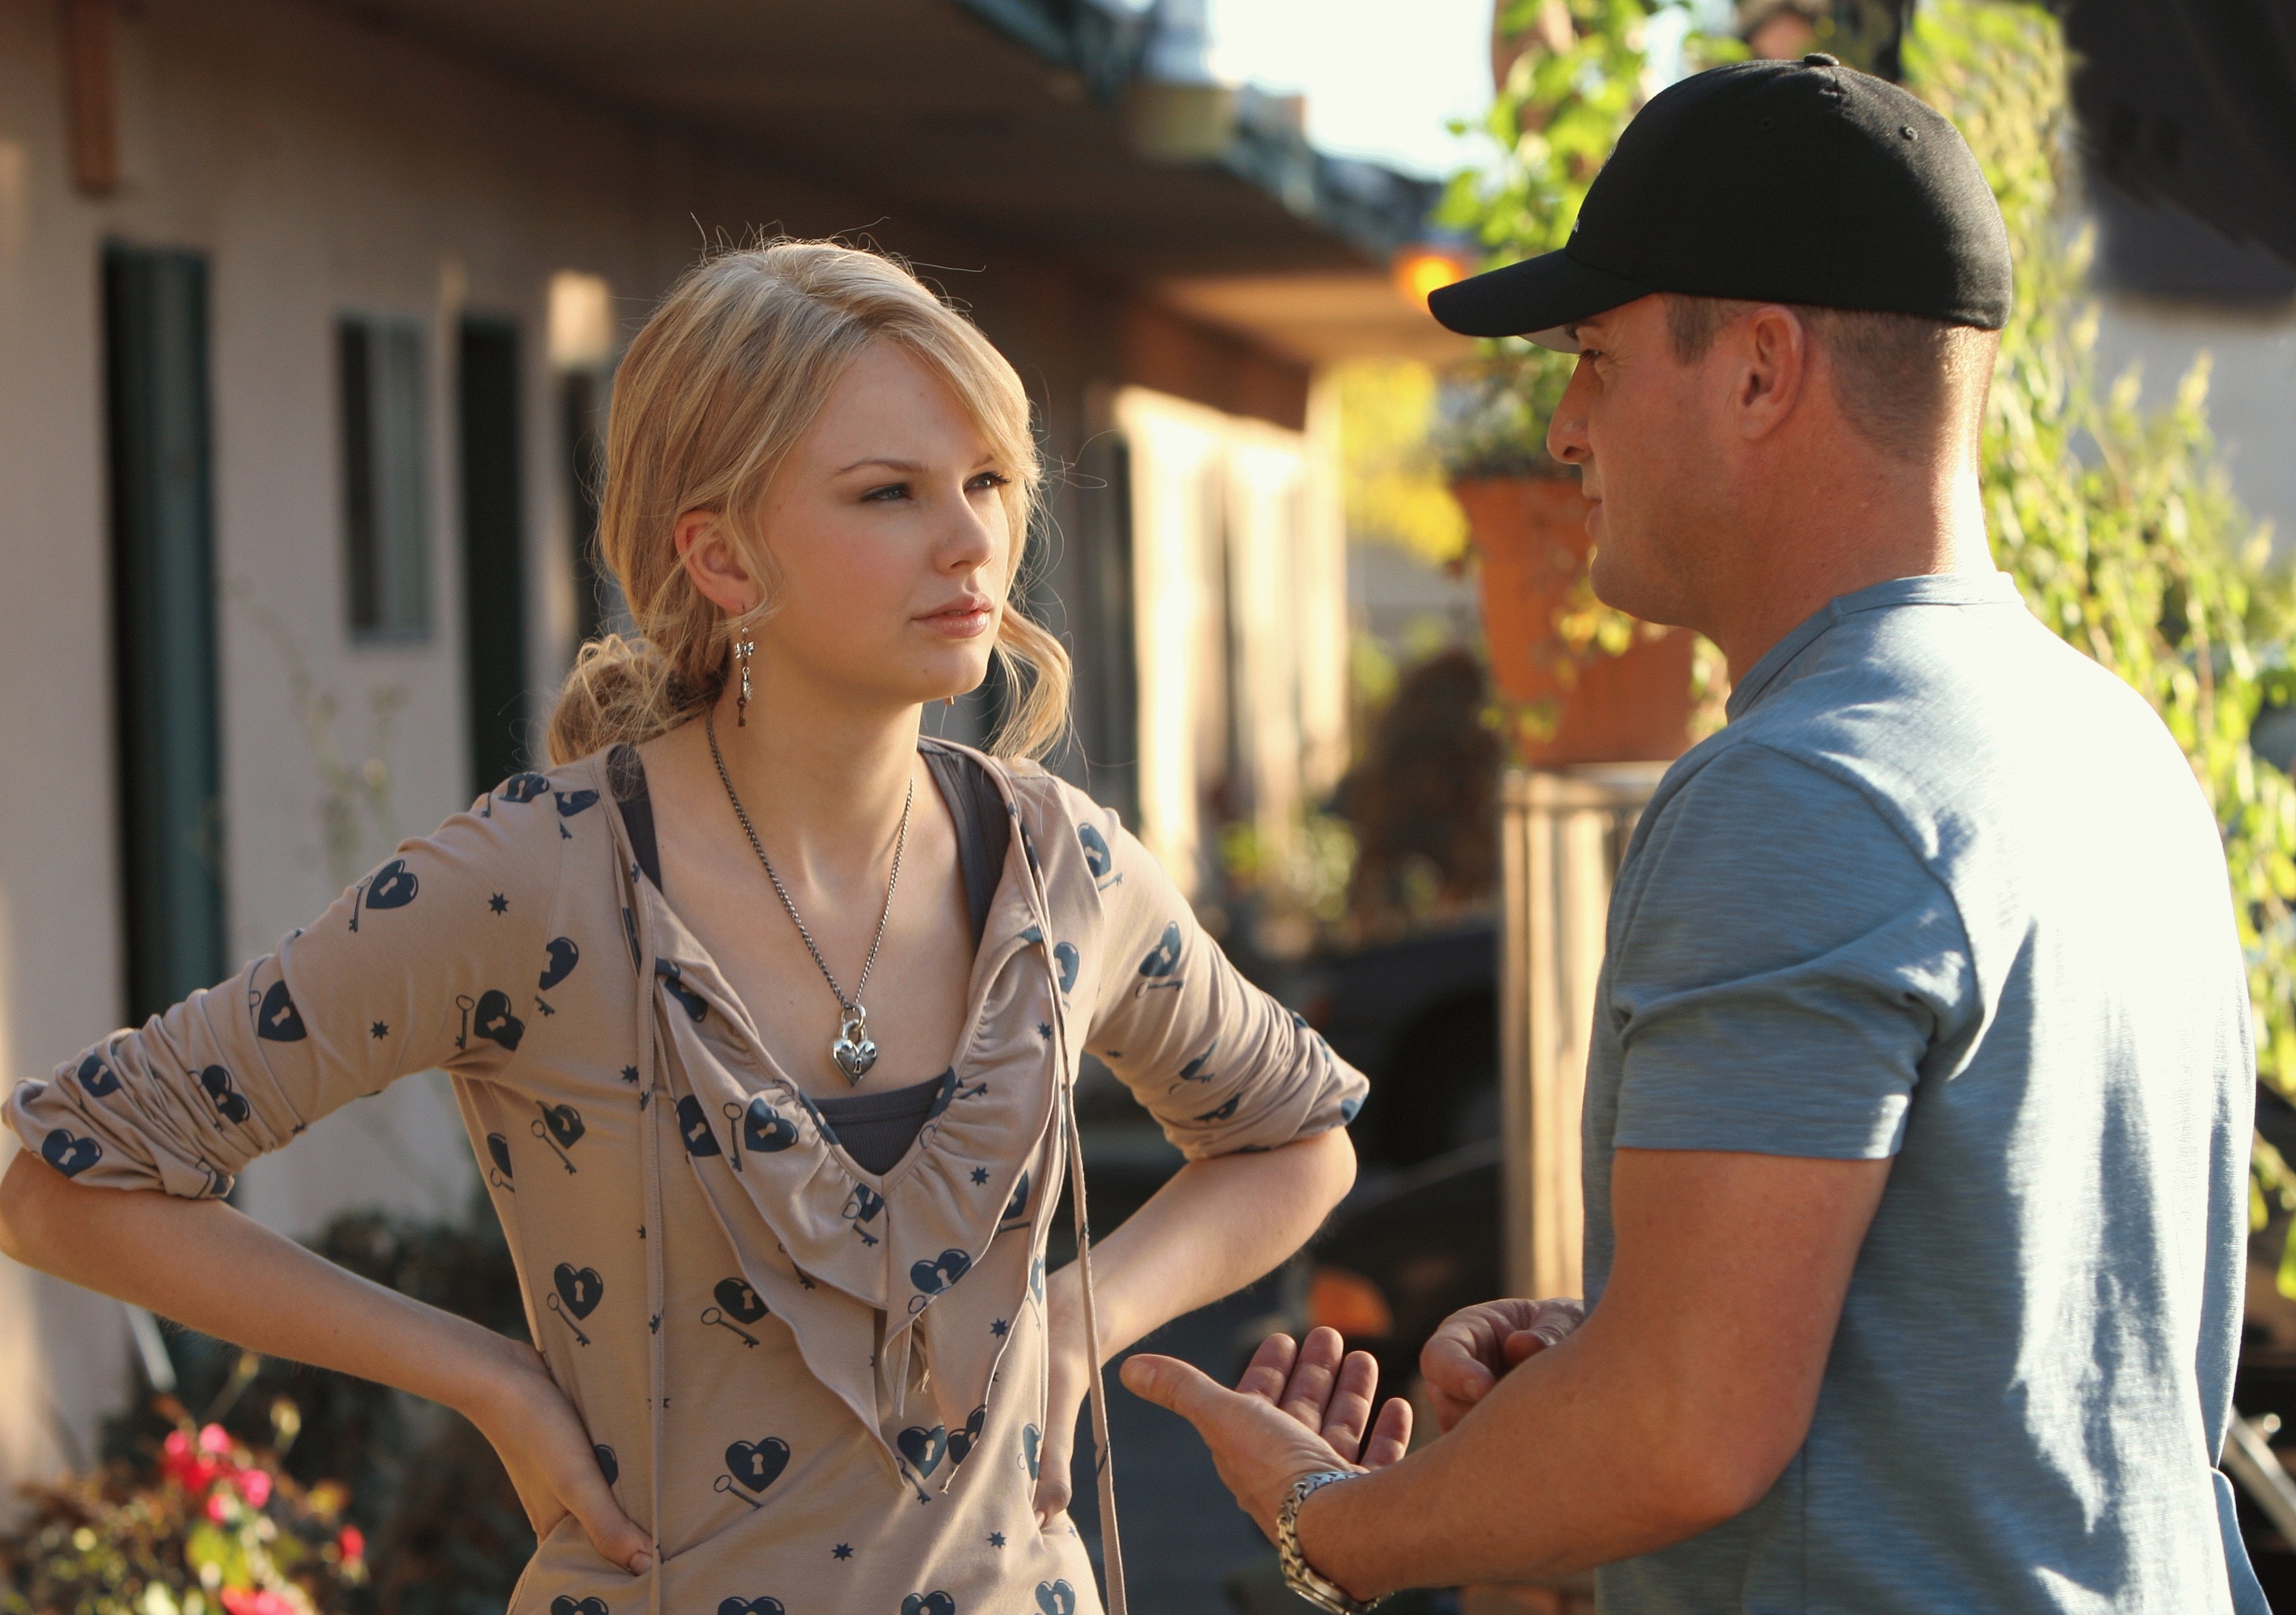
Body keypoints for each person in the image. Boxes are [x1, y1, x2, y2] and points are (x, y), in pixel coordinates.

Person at [0, 241, 1367, 1615]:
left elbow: (1294, 1137)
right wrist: (491, 1376)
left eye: (988, 482)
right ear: (720, 556)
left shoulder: (1064, 864)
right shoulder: (532, 882)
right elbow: (72, 1186)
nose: (970, 541)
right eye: (889, 491)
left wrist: (1079, 1323)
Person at [1123, 54, 2267, 1615]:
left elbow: (1688, 1432)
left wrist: (1334, 1519)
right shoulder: (2109, 742)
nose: (1568, 432)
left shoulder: (1802, 787)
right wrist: (1623, 1347)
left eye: (1595, 358)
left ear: (1758, 370)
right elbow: (2001, 1365)